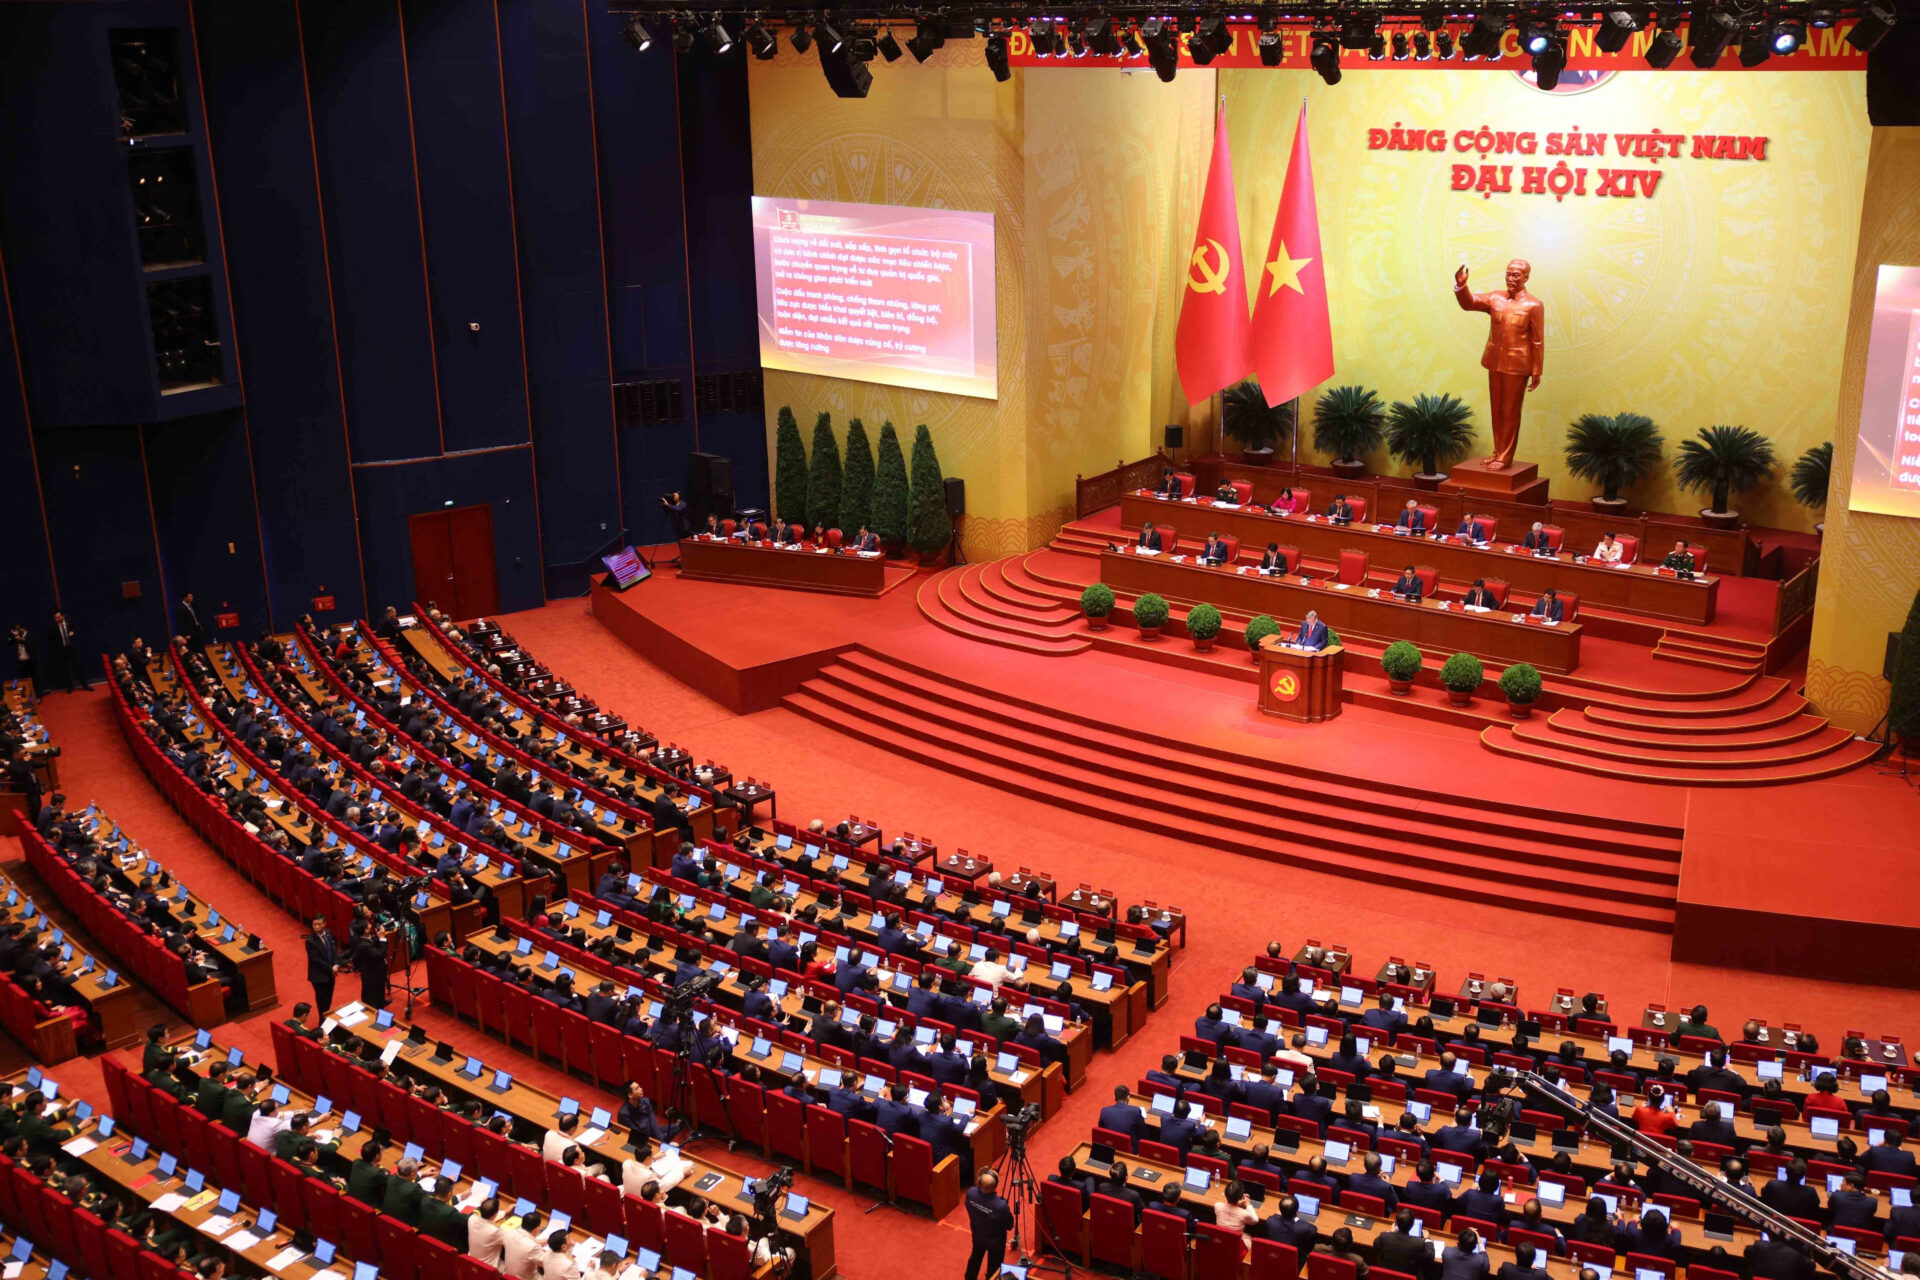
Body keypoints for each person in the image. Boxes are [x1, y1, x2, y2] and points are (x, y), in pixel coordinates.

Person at [963, 1170, 1014, 1280]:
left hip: (977, 1235)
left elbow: (968, 1205)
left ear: (980, 1182)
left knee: (975, 1257)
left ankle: (969, 1277)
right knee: (995, 1267)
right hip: (995, 1242)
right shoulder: (1000, 1206)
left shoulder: (970, 1193)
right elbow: (1009, 1225)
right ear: (995, 1186)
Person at [305, 915, 345, 1012]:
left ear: (324, 924)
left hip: (330, 974)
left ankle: (326, 1016)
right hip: (319, 976)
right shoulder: (310, 941)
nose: (317, 927)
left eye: (319, 924)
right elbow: (316, 960)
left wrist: (336, 964)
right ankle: (322, 1019)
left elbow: (334, 950)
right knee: (322, 1001)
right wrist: (332, 968)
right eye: (314, 924)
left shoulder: (328, 933)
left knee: (329, 998)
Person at [45, 612, 88, 693]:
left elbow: (77, 636)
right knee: (66, 669)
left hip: (73, 649)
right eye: (55, 618)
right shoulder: (53, 628)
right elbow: (52, 641)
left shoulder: (70, 625)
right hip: (62, 651)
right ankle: (70, 687)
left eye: (58, 617)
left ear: (63, 616)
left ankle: (85, 685)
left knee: (78, 667)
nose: (56, 619)